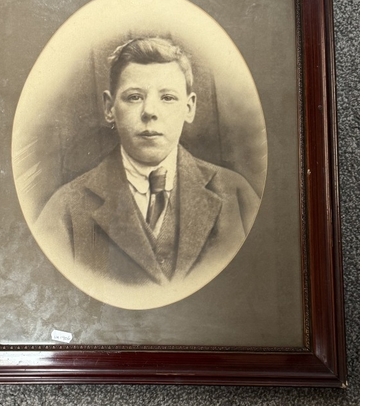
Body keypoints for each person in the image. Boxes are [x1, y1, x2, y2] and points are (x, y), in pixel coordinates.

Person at [34, 37, 260, 288]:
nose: (150, 111)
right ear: (109, 107)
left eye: (167, 97)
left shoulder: (237, 196)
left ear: (189, 107)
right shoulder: (64, 210)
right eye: (134, 97)